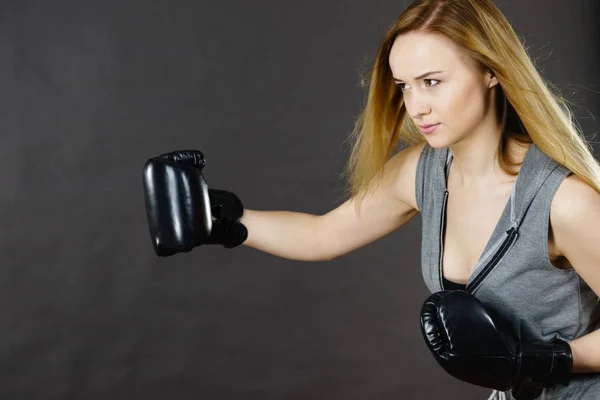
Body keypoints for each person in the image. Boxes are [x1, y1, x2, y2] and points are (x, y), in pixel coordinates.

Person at [142, 0, 600, 398]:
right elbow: (323, 234)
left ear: (490, 73)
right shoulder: (421, 172)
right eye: (404, 85)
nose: (416, 106)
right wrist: (223, 219)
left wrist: (545, 360)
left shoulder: (562, 201)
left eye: (433, 81)